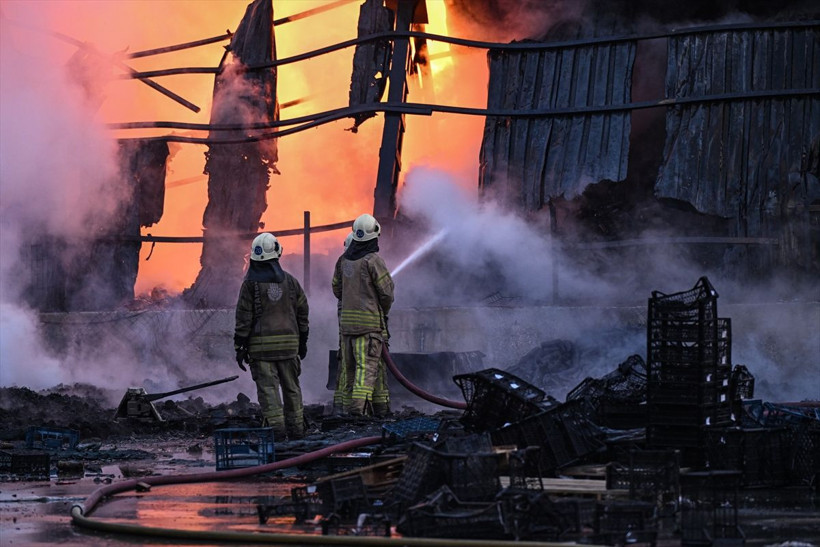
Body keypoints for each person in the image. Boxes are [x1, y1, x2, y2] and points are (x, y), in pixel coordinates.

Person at [234, 232, 309, 440]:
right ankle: (297, 432)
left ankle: (276, 432)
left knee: (269, 391)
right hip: (289, 349)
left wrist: (239, 346)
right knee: (292, 389)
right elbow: (303, 311)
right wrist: (302, 341)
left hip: (261, 352)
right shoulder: (291, 283)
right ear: (277, 254)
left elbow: (243, 317)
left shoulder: (250, 285)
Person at [332, 214, 394, 417]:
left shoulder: (343, 260)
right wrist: (380, 310)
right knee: (366, 370)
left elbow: (337, 289)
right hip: (368, 328)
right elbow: (386, 293)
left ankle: (348, 411)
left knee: (349, 370)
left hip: (347, 327)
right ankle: (357, 413)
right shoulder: (373, 260)